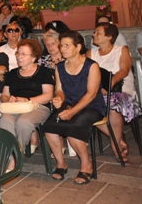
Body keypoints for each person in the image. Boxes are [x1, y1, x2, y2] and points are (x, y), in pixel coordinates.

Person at [42, 31, 106, 185]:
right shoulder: (60, 67)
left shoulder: (91, 66)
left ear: (78, 47)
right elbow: (59, 89)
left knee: (73, 128)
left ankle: (86, 165)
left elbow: (91, 94)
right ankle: (61, 163)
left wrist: (72, 112)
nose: (62, 49)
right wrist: (59, 98)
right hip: (69, 105)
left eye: (66, 45)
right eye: (61, 45)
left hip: (91, 106)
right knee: (49, 127)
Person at [89, 22, 141, 162]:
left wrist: (109, 84)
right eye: (94, 32)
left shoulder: (121, 50)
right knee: (86, 107)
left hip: (120, 87)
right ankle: (118, 139)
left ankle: (116, 147)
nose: (94, 35)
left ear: (109, 36)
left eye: (98, 32)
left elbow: (124, 70)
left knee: (113, 108)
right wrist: (99, 87)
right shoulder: (91, 53)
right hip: (99, 89)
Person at [0, 39, 54, 156]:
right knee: (4, 120)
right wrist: (8, 100)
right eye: (18, 53)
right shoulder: (13, 73)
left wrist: (28, 100)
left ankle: (17, 155)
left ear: (33, 57)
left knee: (23, 122)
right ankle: (10, 154)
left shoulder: (43, 72)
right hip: (15, 107)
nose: (19, 57)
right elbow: (4, 95)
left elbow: (48, 95)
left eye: (23, 54)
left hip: (38, 106)